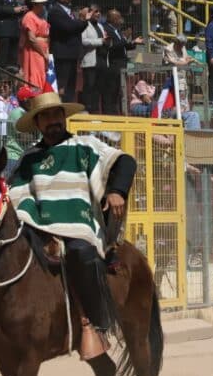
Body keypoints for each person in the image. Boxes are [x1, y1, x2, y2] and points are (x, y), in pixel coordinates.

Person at [10, 92, 137, 332]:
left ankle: (99, 320)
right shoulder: (28, 157)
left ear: (64, 116)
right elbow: (15, 192)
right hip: (37, 225)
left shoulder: (86, 145)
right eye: (45, 116)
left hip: (79, 225)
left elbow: (125, 161)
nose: (52, 120)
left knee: (82, 252)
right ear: (37, 124)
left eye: (56, 114)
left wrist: (116, 190)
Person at [48, 0, 89, 103]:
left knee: (71, 84)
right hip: (62, 54)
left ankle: (69, 106)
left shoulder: (69, 12)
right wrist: (82, 19)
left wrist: (82, 21)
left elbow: (77, 28)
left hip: (72, 54)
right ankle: (60, 105)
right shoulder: (55, 11)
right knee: (62, 83)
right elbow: (68, 28)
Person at [102, 8, 143, 115]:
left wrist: (134, 42)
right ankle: (109, 113)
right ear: (112, 19)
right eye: (118, 17)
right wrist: (126, 39)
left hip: (121, 65)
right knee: (111, 90)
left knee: (117, 90)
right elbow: (112, 46)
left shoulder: (118, 31)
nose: (121, 19)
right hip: (113, 65)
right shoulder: (107, 29)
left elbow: (123, 46)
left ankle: (115, 111)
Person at [81, 3, 110, 114]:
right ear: (89, 13)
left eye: (99, 11)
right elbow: (84, 41)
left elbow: (104, 39)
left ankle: (94, 110)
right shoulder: (85, 25)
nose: (98, 14)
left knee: (98, 87)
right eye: (95, 11)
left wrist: (107, 41)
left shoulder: (100, 26)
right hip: (90, 61)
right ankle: (86, 109)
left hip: (101, 60)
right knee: (89, 86)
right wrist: (100, 41)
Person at [19, 0, 49, 90]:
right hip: (34, 51)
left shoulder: (40, 17)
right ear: (34, 5)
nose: (43, 6)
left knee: (41, 73)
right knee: (35, 73)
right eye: (40, 4)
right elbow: (32, 38)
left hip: (42, 50)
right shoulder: (29, 16)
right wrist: (43, 53)